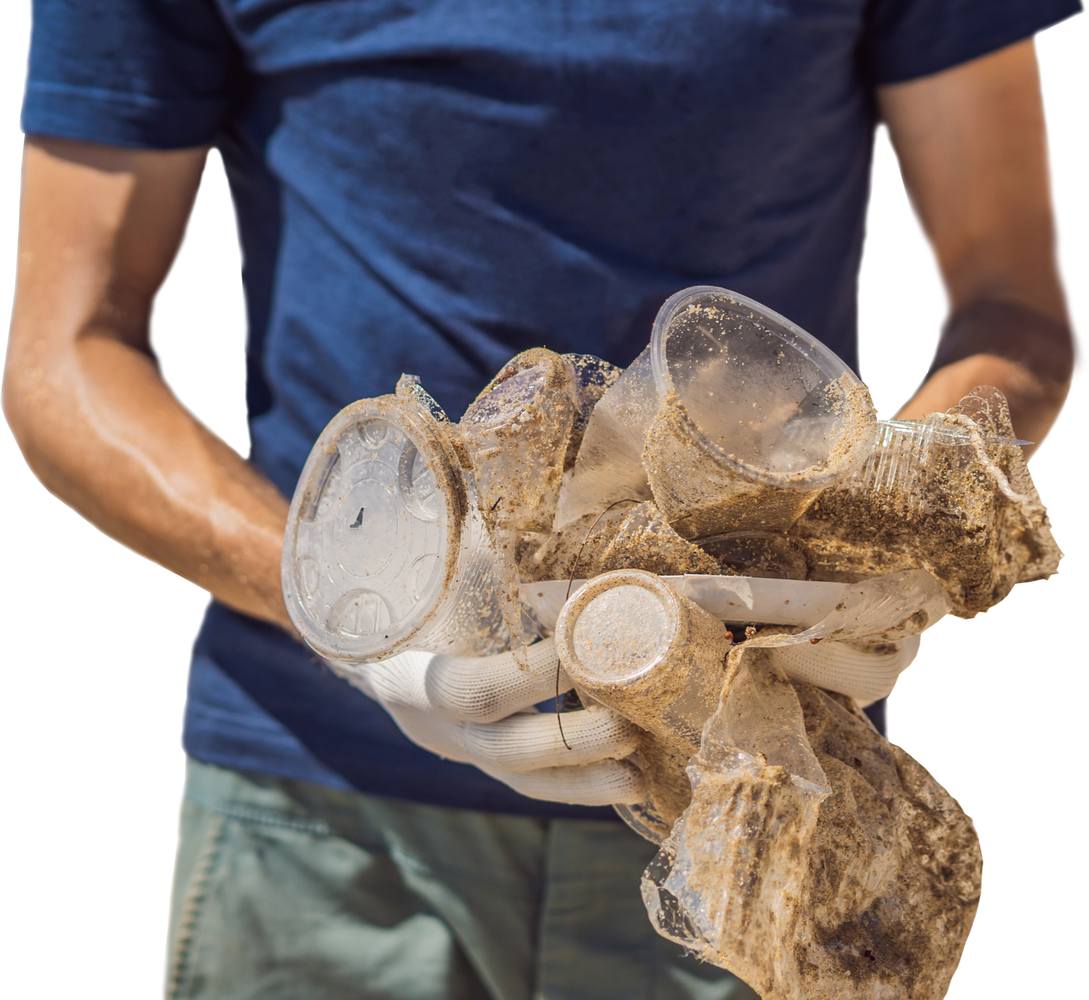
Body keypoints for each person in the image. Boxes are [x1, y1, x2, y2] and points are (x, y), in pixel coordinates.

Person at [6, 1, 1085, 997]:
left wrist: (896, 531)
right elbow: (65, 358)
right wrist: (359, 623)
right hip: (322, 839)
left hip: (759, 803)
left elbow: (1013, 308)